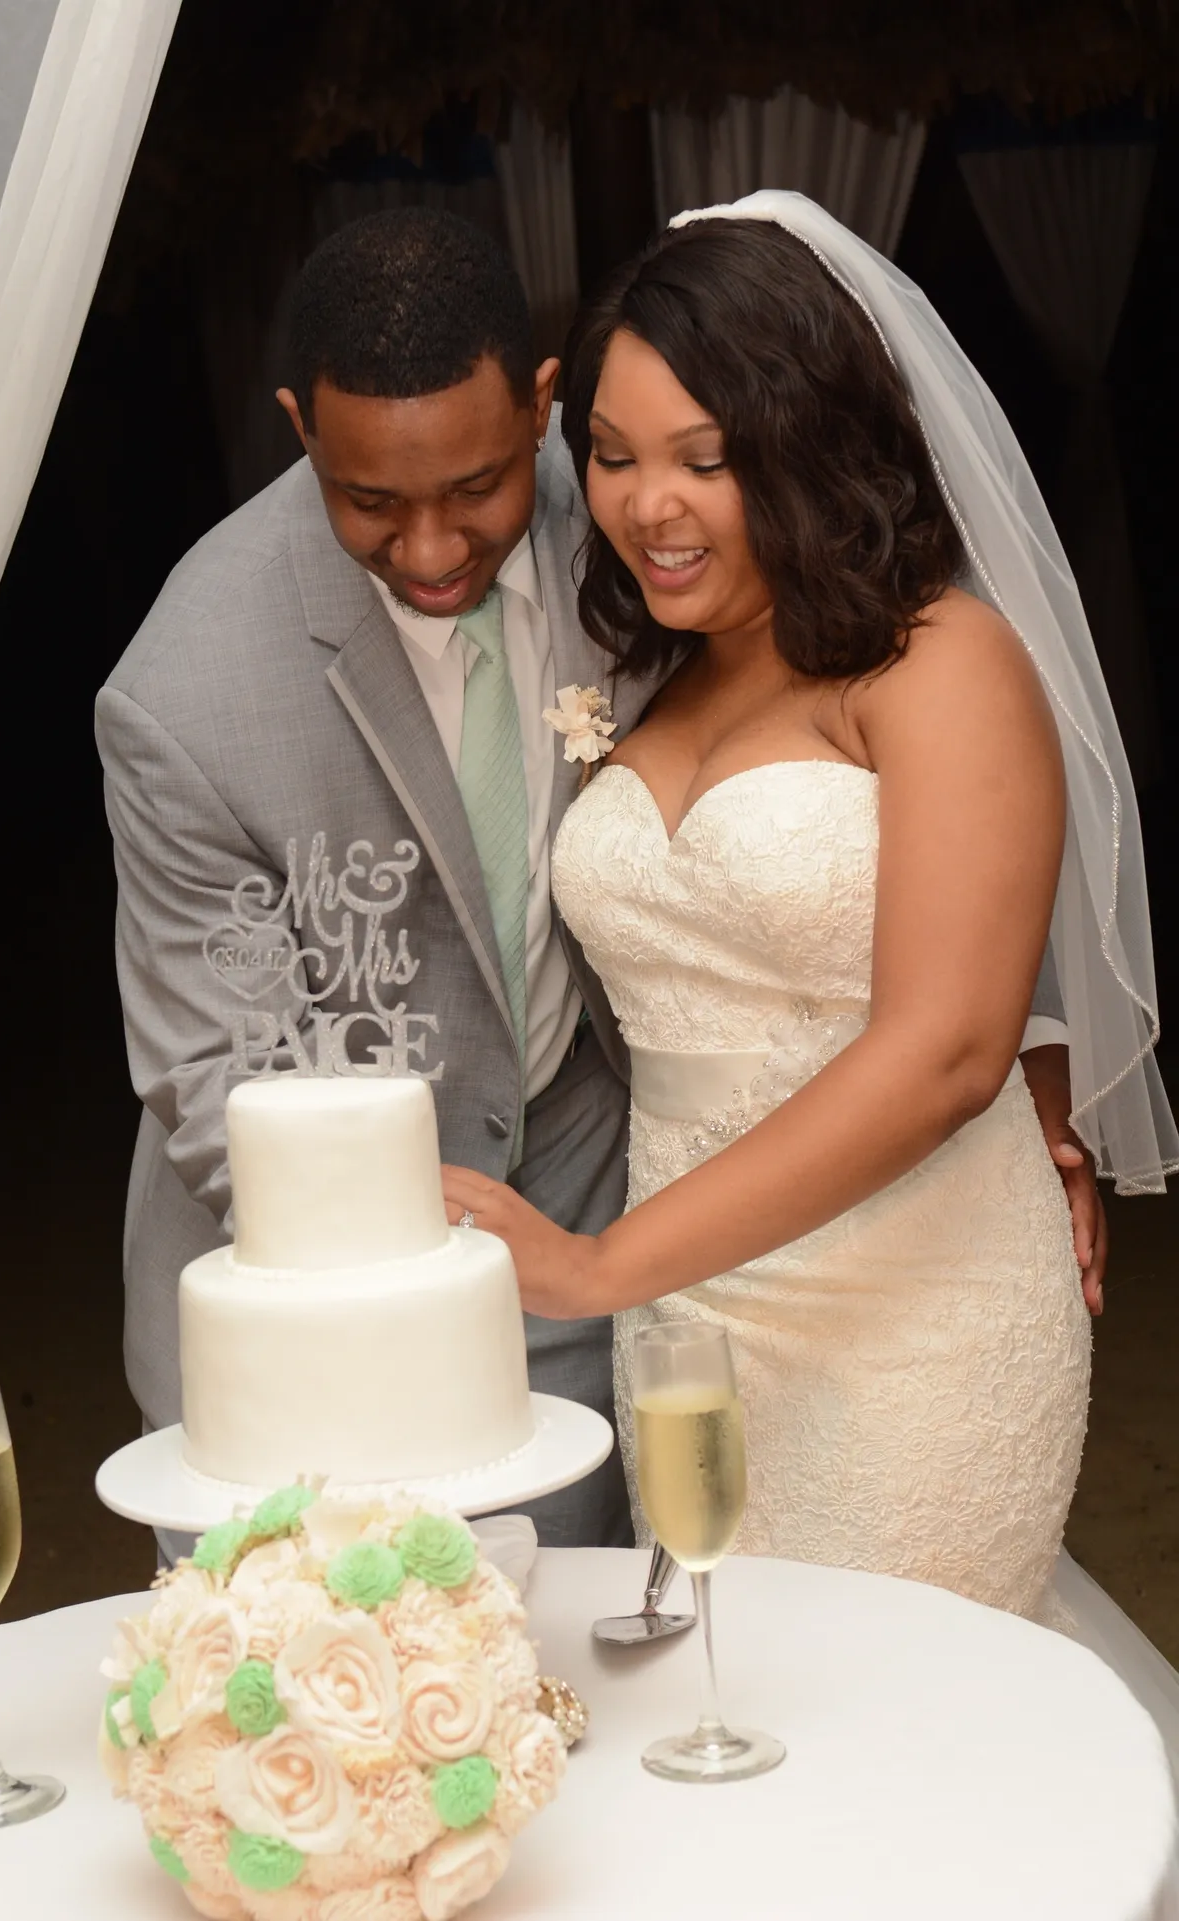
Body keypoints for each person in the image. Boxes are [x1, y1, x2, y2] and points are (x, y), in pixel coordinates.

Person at [98, 203, 1099, 1556]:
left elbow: (924, 842)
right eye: (373, 502)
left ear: (535, 411)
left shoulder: (645, 535)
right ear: (298, 429)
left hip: (658, 1251)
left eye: (477, 488)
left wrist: (1029, 1064)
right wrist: (427, 1289)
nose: (438, 545)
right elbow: (212, 1073)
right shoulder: (185, 692)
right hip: (375, 1301)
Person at [440, 194, 1178, 1627]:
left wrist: (591, 1267)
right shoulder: (650, 672)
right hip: (694, 1320)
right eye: (609, 455)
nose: (647, 504)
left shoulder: (942, 662)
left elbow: (946, 1048)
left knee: (896, 1730)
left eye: (704, 460)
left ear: (807, 445)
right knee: (735, 1720)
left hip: (916, 1317)